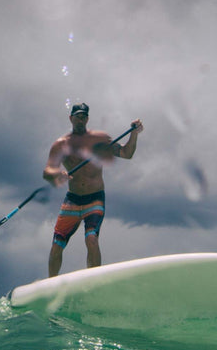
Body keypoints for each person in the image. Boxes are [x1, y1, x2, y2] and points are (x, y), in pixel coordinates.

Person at [42, 103, 144, 277]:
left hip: (95, 199)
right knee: (57, 244)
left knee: (91, 239)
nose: (80, 119)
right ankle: (50, 284)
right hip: (72, 199)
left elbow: (127, 153)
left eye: (83, 116)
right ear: (70, 118)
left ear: (87, 119)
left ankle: (93, 281)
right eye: (77, 116)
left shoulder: (100, 141)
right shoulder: (61, 144)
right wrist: (58, 173)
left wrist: (134, 134)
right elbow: (47, 171)